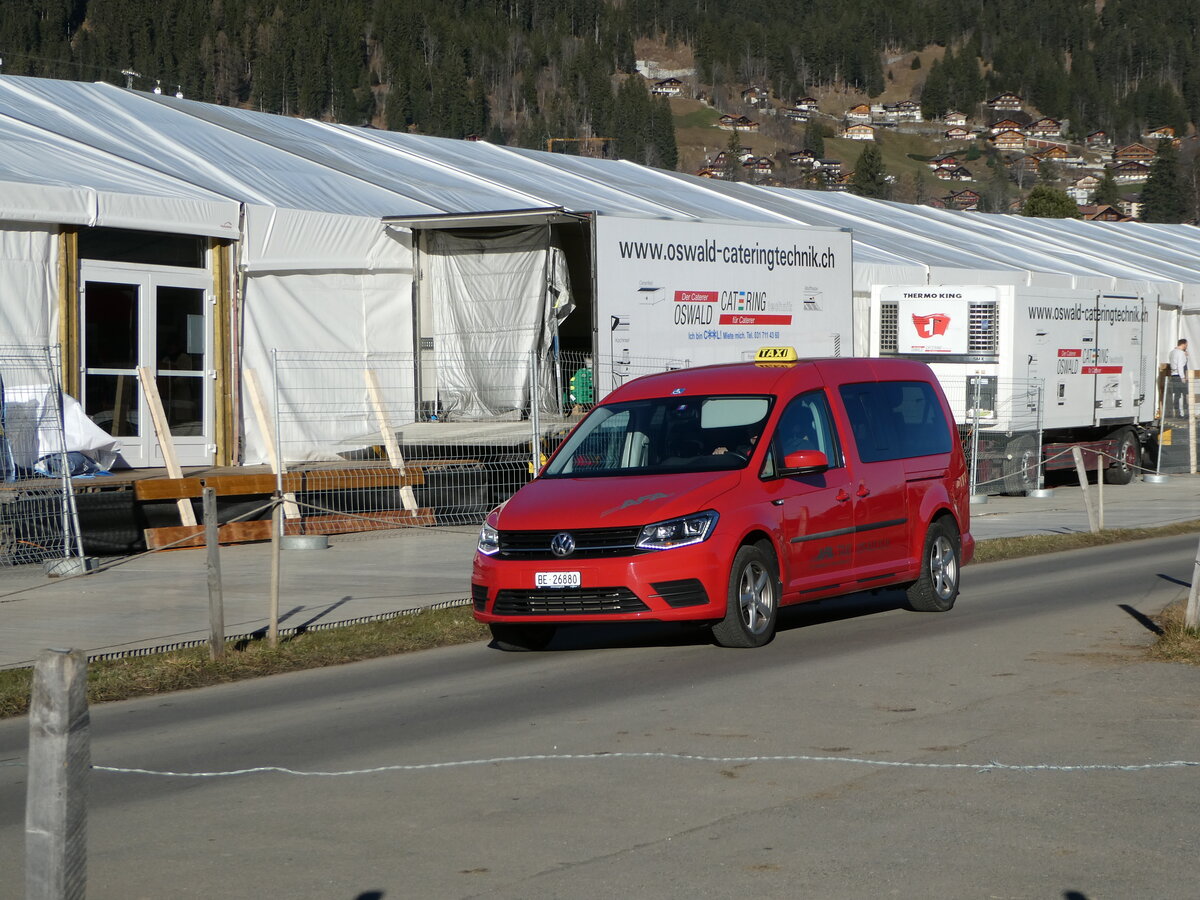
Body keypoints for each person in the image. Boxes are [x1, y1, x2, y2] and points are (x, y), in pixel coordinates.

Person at [1166, 338, 1189, 419]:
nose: (1186, 346)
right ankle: (1186, 414)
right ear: (1183, 344)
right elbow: (1180, 366)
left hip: (1173, 375)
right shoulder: (1181, 353)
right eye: (1186, 345)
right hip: (1180, 375)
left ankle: (1177, 413)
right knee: (1186, 395)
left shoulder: (1172, 352)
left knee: (1177, 395)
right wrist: (1183, 377)